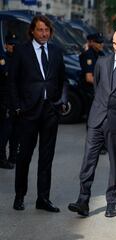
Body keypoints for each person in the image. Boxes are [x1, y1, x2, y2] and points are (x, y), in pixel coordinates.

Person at [68, 28, 116, 218]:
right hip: (96, 118)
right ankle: (83, 200)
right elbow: (98, 86)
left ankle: (112, 203)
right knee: (88, 161)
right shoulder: (102, 62)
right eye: (114, 43)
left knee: (115, 163)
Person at [8, 15, 66, 212]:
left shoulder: (57, 51)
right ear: (32, 31)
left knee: (46, 158)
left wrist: (62, 101)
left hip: (50, 111)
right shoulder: (21, 52)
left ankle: (43, 199)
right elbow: (12, 82)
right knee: (24, 156)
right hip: (27, 112)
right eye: (40, 30)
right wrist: (17, 106)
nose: (44, 34)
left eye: (47, 30)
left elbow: (63, 80)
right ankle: (19, 196)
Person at [0, 33, 19, 169]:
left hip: (16, 102)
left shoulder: (18, 59)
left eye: (15, 44)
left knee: (16, 132)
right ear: (6, 45)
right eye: (11, 44)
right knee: (4, 133)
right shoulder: (3, 59)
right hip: (5, 101)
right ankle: (1, 159)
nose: (14, 46)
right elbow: (7, 74)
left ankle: (13, 157)